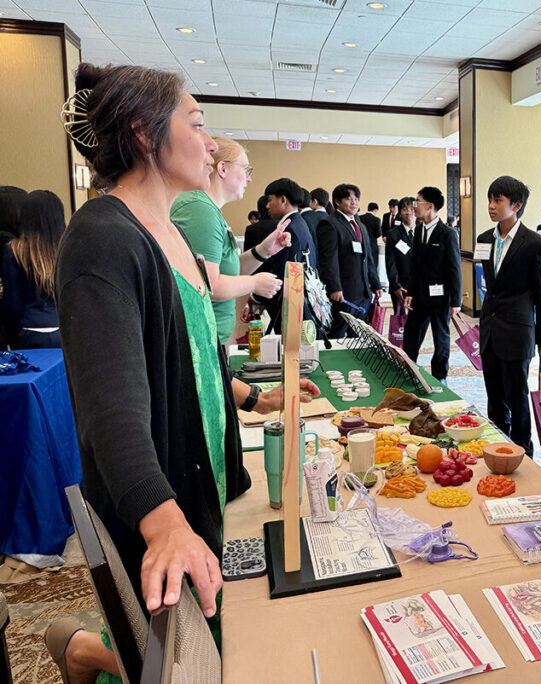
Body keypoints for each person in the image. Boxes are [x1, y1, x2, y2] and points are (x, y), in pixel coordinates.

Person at [46, 63, 319, 683]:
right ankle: (84, 648)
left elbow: (192, 359)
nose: (212, 143)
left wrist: (255, 397)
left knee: (205, 648)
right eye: (197, 124)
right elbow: (111, 406)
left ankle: (88, 649)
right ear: (145, 133)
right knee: (180, 662)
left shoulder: (167, 228)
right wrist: (163, 520)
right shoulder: (102, 238)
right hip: (156, 500)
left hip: (199, 486)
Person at [170, 136, 285, 345]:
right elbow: (208, 285)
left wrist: (264, 251)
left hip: (210, 337)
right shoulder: (200, 210)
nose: (249, 179)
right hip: (198, 340)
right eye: (246, 170)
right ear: (222, 169)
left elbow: (226, 271)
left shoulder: (208, 210)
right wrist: (254, 283)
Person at [478, 176, 541, 457]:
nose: (491, 206)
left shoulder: (534, 243)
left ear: (516, 205)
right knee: (494, 399)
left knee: (517, 398)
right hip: (490, 330)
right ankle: (498, 449)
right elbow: (490, 287)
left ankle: (523, 453)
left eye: (498, 200)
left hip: (518, 332)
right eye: (490, 199)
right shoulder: (485, 239)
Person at [403, 186, 460, 382]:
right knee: (411, 335)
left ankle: (440, 375)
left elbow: (454, 269)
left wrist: (456, 300)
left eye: (417, 203)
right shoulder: (419, 230)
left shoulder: (448, 233)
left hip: (440, 295)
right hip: (419, 294)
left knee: (441, 338)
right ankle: (409, 370)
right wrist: (410, 291)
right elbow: (415, 265)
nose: (414, 207)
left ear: (430, 206)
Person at [252, 178, 318, 333]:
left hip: (290, 305)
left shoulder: (290, 229)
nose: (267, 206)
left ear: (283, 200)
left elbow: (281, 271)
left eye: (269, 200)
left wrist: (256, 298)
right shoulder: (299, 222)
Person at [0, 190, 65, 349]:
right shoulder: (67, 249)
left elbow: (12, 303)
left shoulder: (14, 251)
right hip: (63, 328)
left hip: (30, 329)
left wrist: (12, 339)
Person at [317, 183, 382, 331]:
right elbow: (328, 259)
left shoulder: (360, 225)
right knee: (338, 334)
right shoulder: (329, 224)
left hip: (363, 292)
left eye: (356, 199)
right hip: (343, 293)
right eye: (348, 198)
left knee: (358, 336)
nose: (354, 202)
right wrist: (334, 287)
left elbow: (368, 258)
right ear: (337, 202)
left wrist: (375, 283)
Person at [384, 196, 416, 311]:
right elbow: (390, 263)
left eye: (412, 209)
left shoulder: (424, 232)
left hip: (420, 286)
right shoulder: (393, 234)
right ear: (400, 212)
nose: (409, 212)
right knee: (401, 324)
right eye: (405, 209)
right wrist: (396, 285)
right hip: (401, 286)